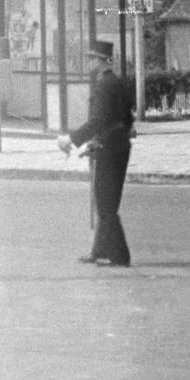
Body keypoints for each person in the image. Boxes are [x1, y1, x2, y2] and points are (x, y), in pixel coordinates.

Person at [57, 40, 135, 267]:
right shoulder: (117, 83)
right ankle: (100, 250)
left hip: (109, 150)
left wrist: (71, 139)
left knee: (105, 204)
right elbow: (127, 119)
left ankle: (120, 257)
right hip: (118, 146)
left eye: (91, 58)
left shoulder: (102, 86)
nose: (89, 62)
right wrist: (100, 140)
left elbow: (98, 120)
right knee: (105, 200)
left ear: (99, 61)